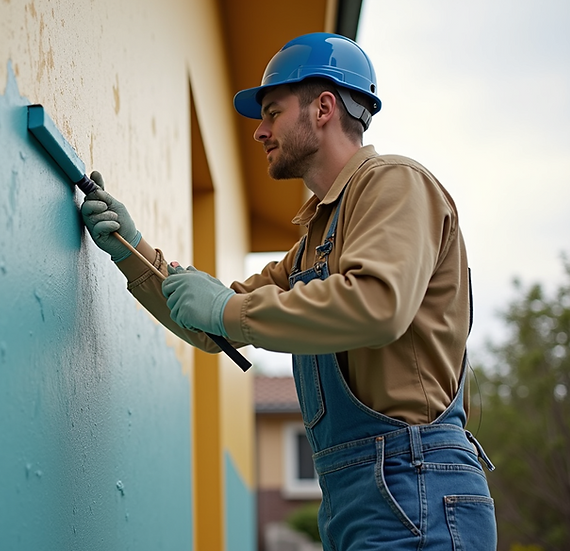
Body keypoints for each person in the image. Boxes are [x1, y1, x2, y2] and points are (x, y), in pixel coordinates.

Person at [80, 32, 498, 550]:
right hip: (359, 493)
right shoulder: (313, 243)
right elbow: (216, 321)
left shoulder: (394, 184)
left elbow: (377, 304)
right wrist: (132, 249)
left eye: (272, 111)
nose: (259, 132)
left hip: (414, 483)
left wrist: (229, 310)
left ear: (323, 108)